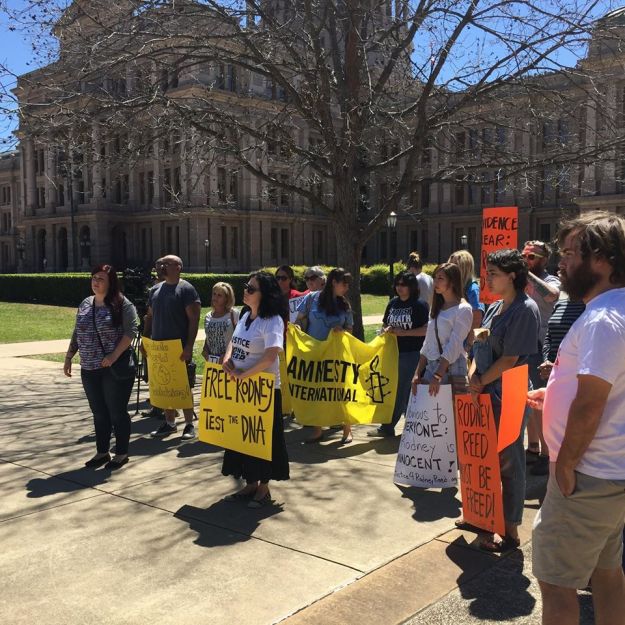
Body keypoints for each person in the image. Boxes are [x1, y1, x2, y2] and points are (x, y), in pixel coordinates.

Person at [528, 211, 625, 625]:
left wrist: (565, 464)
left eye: (569, 253)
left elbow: (590, 404)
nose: (560, 263)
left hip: (585, 476)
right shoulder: (614, 310)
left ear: (601, 259)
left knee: (557, 584)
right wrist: (554, 395)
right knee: (606, 573)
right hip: (609, 474)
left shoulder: (604, 318)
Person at [467, 249, 540, 551]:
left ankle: (510, 530)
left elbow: (510, 359)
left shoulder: (525, 309)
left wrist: (480, 381)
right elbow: (479, 345)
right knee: (483, 459)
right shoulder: (495, 308)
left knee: (509, 462)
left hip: (508, 394)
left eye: (494, 273)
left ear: (512, 275)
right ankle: (483, 518)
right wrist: (473, 375)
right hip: (484, 393)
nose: (489, 279)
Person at [221, 271, 290, 508]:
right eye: (246, 286)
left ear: (265, 295)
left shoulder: (273, 320)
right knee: (243, 438)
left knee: (262, 438)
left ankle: (263, 487)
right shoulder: (245, 315)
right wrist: (227, 359)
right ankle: (250, 483)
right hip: (241, 390)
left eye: (251, 289)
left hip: (264, 391)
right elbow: (234, 340)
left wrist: (244, 374)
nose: (246, 291)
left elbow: (272, 354)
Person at [64, 264, 138, 470]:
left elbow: (131, 331)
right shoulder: (86, 303)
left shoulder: (122, 304)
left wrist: (113, 355)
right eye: (94, 278)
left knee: (116, 412)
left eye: (101, 279)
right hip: (88, 367)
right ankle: (102, 452)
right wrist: (69, 356)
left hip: (112, 368)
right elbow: (78, 331)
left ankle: (121, 453)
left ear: (111, 282)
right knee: (98, 412)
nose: (96, 282)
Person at [143, 255, 201, 441]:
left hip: (178, 348)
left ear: (178, 267)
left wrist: (189, 346)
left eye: (165, 264)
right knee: (165, 386)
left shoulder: (186, 290)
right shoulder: (155, 290)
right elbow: (149, 316)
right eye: (159, 264)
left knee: (183, 387)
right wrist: (145, 340)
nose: (160, 267)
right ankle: (169, 423)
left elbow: (194, 319)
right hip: (159, 348)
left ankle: (189, 425)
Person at [295, 267, 355, 444]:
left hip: (336, 356)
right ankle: (317, 430)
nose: (346, 288)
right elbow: (299, 319)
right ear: (334, 283)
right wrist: (298, 328)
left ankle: (347, 430)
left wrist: (341, 331)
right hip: (315, 354)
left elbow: (350, 330)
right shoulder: (312, 298)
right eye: (344, 284)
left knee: (341, 392)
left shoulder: (344, 305)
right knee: (316, 392)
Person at [368, 271, 429, 437]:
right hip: (392, 354)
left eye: (403, 284)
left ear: (411, 287)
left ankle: (408, 427)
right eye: (397, 284)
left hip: (412, 353)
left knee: (405, 390)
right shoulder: (393, 303)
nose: (399, 288)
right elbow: (385, 324)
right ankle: (388, 427)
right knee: (392, 389)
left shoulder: (420, 305)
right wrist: (386, 330)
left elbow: (426, 330)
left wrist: (404, 333)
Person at [522, 240, 561, 476]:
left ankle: (548, 455)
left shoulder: (550, 279)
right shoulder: (521, 278)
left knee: (540, 402)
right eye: (524, 256)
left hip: (541, 347)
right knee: (526, 399)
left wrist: (527, 274)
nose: (527, 261)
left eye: (532, 257)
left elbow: (553, 295)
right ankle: (533, 447)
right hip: (523, 346)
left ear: (544, 259)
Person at [411, 263, 473, 397]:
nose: (435, 282)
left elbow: (454, 344)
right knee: (427, 414)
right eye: (435, 277)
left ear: (452, 282)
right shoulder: (437, 307)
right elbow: (428, 342)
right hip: (431, 366)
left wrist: (438, 374)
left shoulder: (464, 309)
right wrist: (417, 373)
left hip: (452, 368)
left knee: (450, 414)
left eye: (440, 278)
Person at [448, 249, 484, 335]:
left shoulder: (472, 289)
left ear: (464, 267)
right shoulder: (456, 286)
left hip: (467, 342)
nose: (450, 268)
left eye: (455, 265)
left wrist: (468, 342)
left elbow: (477, 318)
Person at [202, 282, 239, 364]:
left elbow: (239, 338)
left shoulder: (234, 314)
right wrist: (205, 350)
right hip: (212, 362)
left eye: (219, 295)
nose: (215, 297)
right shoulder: (207, 316)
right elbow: (209, 336)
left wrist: (227, 355)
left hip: (229, 362)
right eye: (214, 294)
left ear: (227, 298)